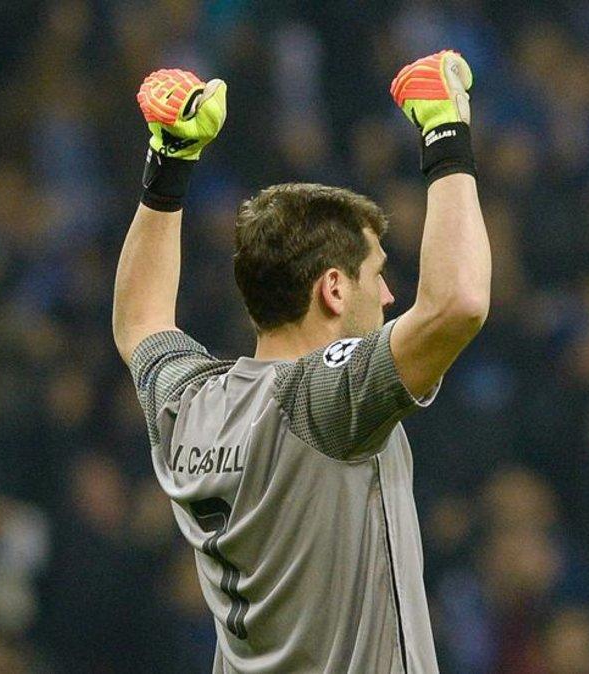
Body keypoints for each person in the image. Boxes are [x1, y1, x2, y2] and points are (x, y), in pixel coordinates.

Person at [111, 51, 489, 673]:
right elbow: (457, 305)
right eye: (380, 275)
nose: (392, 295)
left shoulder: (190, 405)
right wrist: (446, 135)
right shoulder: (322, 403)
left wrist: (169, 165)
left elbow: (140, 324)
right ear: (334, 289)